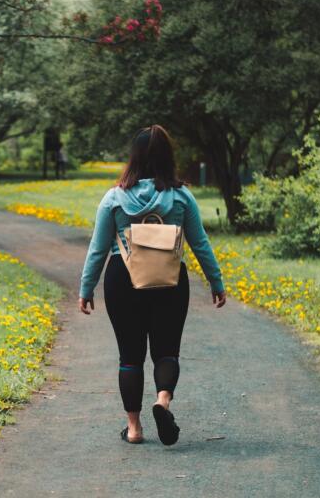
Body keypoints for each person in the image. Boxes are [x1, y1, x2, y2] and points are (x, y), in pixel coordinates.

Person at [78, 124, 227, 446]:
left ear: (133, 158)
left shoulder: (114, 198)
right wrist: (216, 282)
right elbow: (200, 244)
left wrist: (86, 288)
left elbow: (98, 248)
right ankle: (162, 402)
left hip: (123, 278)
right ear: (167, 158)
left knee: (129, 357)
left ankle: (133, 429)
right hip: (170, 280)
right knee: (166, 351)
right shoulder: (181, 196)